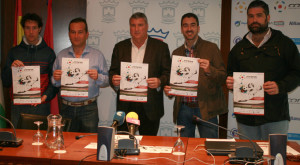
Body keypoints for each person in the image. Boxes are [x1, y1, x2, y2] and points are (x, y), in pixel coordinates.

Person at [226, 0, 300, 140]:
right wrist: (230, 82)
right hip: (246, 118)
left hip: (275, 117)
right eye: (251, 16)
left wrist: (280, 86)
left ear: (268, 17)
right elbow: (230, 73)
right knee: (248, 158)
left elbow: (297, 73)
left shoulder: (284, 44)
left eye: (259, 15)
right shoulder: (238, 49)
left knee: (275, 158)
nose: (254, 20)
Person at [164, 13, 227, 138]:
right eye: (185, 26)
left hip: (206, 109)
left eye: (192, 25)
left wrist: (210, 70)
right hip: (183, 109)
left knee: (210, 148)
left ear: (198, 28)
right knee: (185, 150)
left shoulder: (211, 48)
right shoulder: (176, 53)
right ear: (181, 29)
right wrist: (170, 90)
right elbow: (173, 82)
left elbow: (223, 77)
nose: (189, 29)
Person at [109, 12, 171, 136]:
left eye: (140, 25)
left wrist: (159, 81)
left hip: (150, 107)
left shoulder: (161, 47)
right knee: (124, 145)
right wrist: (113, 79)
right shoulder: (120, 47)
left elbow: (168, 73)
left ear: (147, 26)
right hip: (126, 105)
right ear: (129, 27)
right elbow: (113, 71)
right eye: (133, 25)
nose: (136, 29)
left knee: (148, 146)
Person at [52, 17, 109, 133]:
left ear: (87, 34)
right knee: (66, 145)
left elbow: (107, 81)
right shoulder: (61, 55)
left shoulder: (97, 55)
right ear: (69, 34)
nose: (76, 36)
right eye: (73, 32)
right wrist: (56, 78)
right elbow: (54, 82)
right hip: (66, 108)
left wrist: (98, 77)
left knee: (89, 144)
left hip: (88, 108)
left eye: (80, 32)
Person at [2, 13, 57, 127]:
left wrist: (45, 97)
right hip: (18, 107)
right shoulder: (14, 52)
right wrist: (11, 69)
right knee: (19, 141)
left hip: (41, 106)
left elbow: (55, 81)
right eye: (27, 28)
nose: (31, 32)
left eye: (34, 28)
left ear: (39, 29)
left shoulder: (49, 53)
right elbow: (6, 81)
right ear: (23, 29)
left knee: (40, 141)